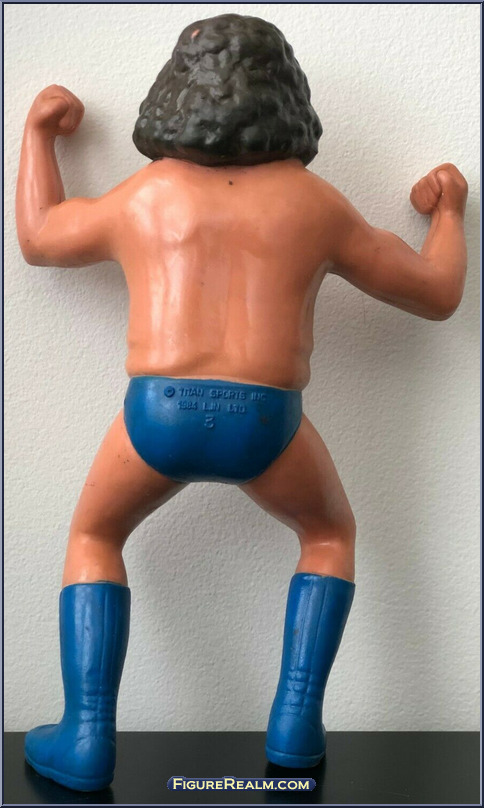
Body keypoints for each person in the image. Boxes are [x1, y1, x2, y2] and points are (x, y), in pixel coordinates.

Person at [16, 13, 468, 791]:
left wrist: (37, 137)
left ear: (175, 91)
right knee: (328, 534)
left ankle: (86, 736)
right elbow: (436, 293)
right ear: (286, 95)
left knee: (95, 534)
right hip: (268, 423)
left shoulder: (148, 195)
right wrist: (450, 210)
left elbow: (41, 236)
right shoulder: (315, 205)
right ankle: (295, 725)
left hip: (157, 414)